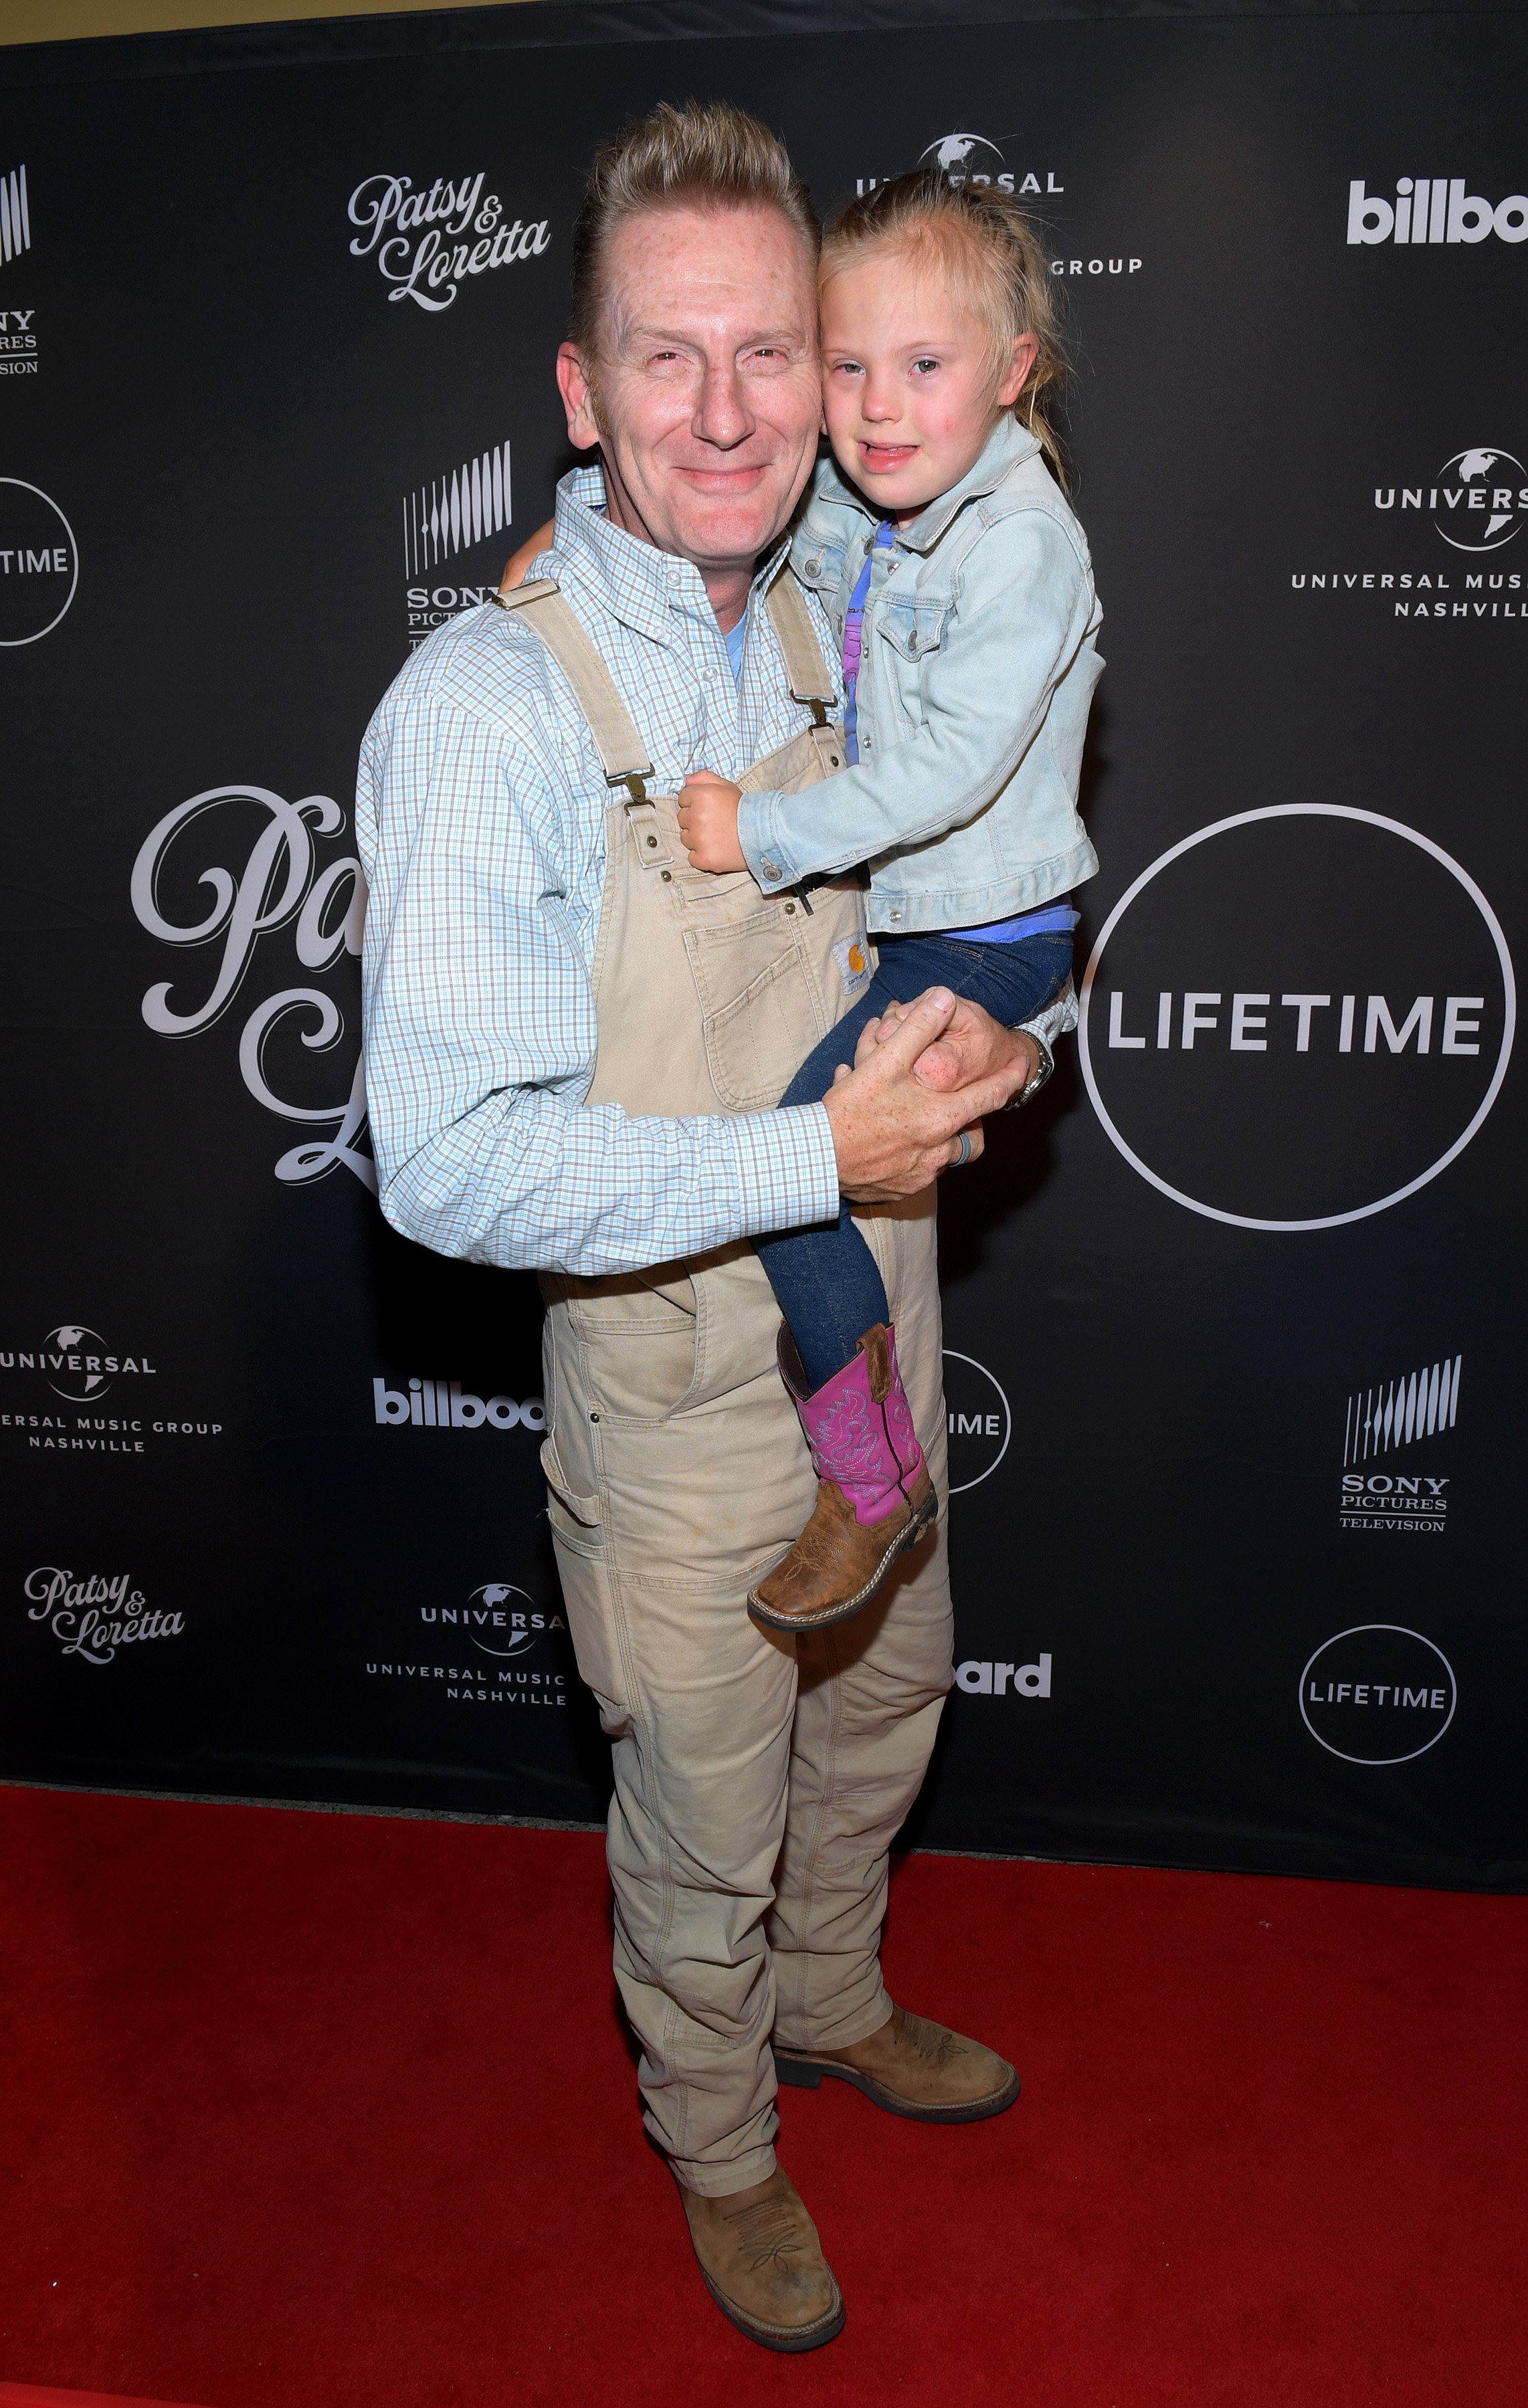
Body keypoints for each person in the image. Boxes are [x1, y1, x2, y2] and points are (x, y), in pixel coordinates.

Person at [357, 100, 1062, 2356]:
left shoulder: (861, 605)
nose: (743, 409)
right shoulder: (487, 713)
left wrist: (985, 1051)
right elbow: (448, 1160)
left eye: (781, 350)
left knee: (885, 1713)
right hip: (674, 1393)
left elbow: (969, 880)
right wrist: (802, 1170)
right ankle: (721, 2138)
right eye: (671, 359)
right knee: (707, 1807)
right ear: (580, 393)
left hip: (872, 1321)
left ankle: (839, 2004)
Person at [675, 171, 1101, 1637]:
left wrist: (760, 833)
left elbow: (945, 770)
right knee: (807, 1173)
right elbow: (744, 515)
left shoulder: (1020, 540)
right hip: (919, 927)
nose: (873, 406)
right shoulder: (886, 502)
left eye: (921, 366)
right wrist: (571, 515)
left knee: (793, 1169)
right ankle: (870, 1470)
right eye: (845, 364)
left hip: (980, 936)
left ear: (1009, 371)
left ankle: (868, 1481)